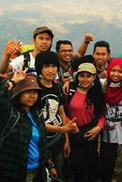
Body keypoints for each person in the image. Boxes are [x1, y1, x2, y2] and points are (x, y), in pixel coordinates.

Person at [0, 69, 57, 181]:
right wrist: (14, 81)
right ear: (18, 94)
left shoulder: (37, 114)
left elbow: (42, 143)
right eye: (28, 92)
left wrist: (50, 165)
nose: (32, 96)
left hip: (37, 171)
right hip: (14, 172)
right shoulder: (11, 114)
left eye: (35, 92)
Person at [35, 51, 79, 180]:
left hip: (56, 142)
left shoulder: (57, 86)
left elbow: (61, 113)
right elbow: (36, 123)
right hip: (39, 144)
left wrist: (66, 140)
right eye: (46, 66)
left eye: (53, 66)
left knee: (57, 174)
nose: (50, 70)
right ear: (40, 68)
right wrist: (63, 130)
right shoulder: (34, 89)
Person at [66, 62, 106, 182]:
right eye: (81, 75)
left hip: (91, 135)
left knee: (92, 164)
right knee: (79, 166)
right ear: (77, 76)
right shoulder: (69, 90)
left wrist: (99, 127)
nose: (85, 79)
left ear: (94, 77)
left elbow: (102, 113)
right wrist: (70, 125)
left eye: (88, 76)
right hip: (73, 134)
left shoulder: (97, 93)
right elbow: (62, 111)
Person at [100, 58, 122, 182]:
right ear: (108, 70)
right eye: (113, 70)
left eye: (120, 72)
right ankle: (106, 178)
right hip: (108, 127)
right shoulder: (103, 84)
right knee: (107, 156)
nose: (116, 74)